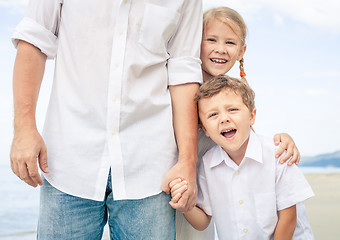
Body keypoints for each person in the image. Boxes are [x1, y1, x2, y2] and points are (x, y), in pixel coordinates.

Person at [10, 1, 203, 239]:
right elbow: (34, 39)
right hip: (69, 160)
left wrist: (188, 160)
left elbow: (184, 70)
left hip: (150, 166)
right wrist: (24, 128)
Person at [173, 6, 301, 240]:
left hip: (212, 186)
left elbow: (248, 140)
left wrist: (283, 139)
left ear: (241, 51)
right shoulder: (180, 84)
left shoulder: (233, 92)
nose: (220, 49)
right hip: (183, 181)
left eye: (230, 43)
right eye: (211, 39)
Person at [170, 75, 314, 240]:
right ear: (205, 130)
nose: (224, 118)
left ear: (252, 116)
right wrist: (185, 205)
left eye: (232, 109)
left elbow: (288, 219)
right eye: (213, 115)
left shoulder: (277, 155)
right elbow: (203, 221)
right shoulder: (208, 163)